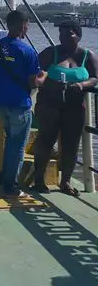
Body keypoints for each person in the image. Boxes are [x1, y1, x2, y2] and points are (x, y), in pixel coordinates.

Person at [0, 10, 47, 198]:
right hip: (19, 104)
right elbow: (32, 82)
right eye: (27, 24)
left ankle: (4, 177)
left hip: (0, 102)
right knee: (17, 146)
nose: (27, 27)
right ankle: (10, 186)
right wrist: (44, 77)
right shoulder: (27, 51)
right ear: (23, 25)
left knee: (9, 141)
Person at [33, 20, 98, 196]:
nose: (62, 37)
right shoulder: (50, 53)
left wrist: (82, 85)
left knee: (71, 145)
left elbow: (95, 78)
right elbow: (35, 72)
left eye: (67, 33)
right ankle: (39, 179)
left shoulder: (87, 55)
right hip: (50, 105)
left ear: (77, 35)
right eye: (60, 33)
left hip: (75, 107)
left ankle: (65, 182)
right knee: (45, 142)